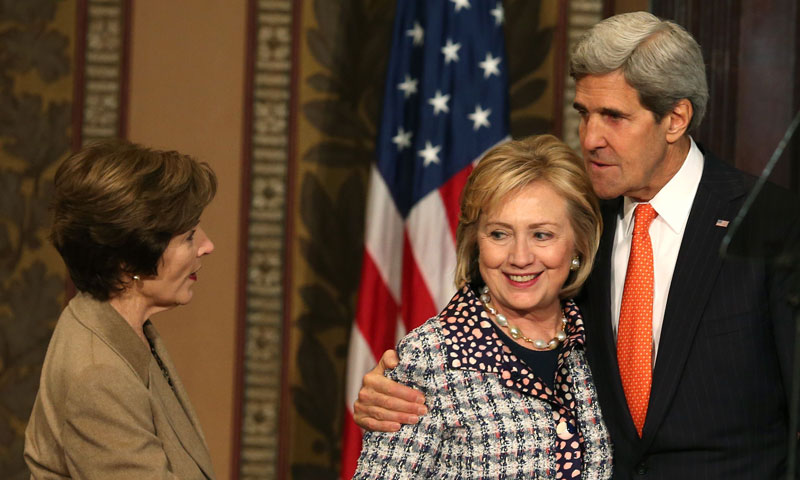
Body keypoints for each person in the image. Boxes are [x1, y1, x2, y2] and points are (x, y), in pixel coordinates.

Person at [354, 11, 800, 479]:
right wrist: (400, 383)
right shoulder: (576, 219)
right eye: (584, 114)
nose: (590, 139)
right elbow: (493, 318)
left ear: (675, 118)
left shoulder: (773, 224)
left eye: (614, 117)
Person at [354, 135, 612, 479]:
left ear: (579, 242)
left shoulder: (601, 338)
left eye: (542, 235)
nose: (520, 257)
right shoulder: (431, 356)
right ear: (476, 242)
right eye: (500, 234)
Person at [24, 140, 218, 479]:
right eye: (188, 236)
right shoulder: (99, 377)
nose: (207, 245)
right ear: (129, 262)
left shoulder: (119, 327)